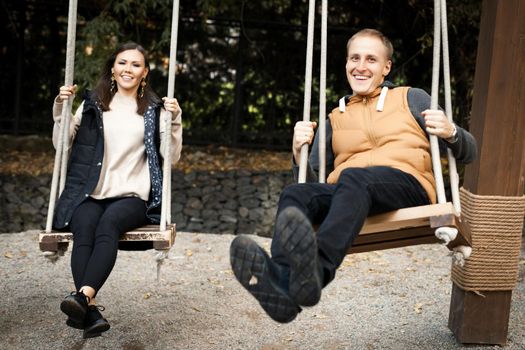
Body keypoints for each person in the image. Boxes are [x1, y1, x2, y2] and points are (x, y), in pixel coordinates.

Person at [229, 28, 477, 323]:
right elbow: (312, 183)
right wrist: (298, 153)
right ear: (346, 63)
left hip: (407, 185)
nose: (361, 66)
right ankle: (284, 285)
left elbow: (470, 152)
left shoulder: (412, 98)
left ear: (386, 67)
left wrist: (451, 132)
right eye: (354, 58)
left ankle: (318, 271)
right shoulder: (335, 117)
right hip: (353, 192)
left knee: (355, 177)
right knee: (295, 194)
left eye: (371, 59)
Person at [51, 42, 182, 338]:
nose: (128, 69)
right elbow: (62, 145)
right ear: (113, 68)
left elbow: (170, 156)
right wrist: (61, 108)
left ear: (144, 72)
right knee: (84, 226)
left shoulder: (154, 109)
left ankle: (82, 297)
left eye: (136, 65)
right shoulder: (92, 104)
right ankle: (89, 307)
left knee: (108, 224)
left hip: (132, 196)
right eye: (123, 63)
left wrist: (175, 121)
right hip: (92, 192)